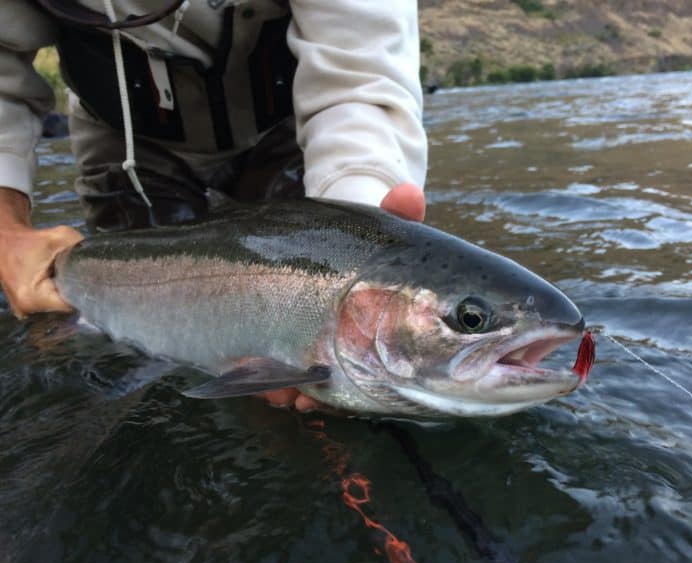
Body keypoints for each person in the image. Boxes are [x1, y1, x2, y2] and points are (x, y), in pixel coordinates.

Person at [0, 0, 427, 411]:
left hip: (285, 124)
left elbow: (358, 74)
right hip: (129, 141)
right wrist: (7, 232)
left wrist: (359, 232)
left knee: (307, 403)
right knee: (136, 365)